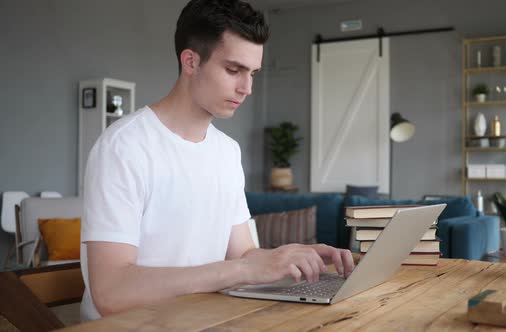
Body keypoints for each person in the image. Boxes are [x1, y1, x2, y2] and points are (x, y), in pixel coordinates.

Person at [80, 0, 354, 321]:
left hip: (204, 320)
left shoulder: (227, 151)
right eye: (234, 70)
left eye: (252, 73)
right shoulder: (124, 147)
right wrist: (238, 269)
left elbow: (242, 254)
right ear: (191, 61)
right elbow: (111, 293)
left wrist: (289, 256)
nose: (247, 88)